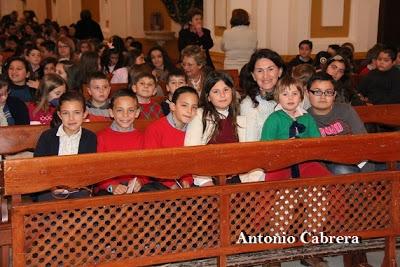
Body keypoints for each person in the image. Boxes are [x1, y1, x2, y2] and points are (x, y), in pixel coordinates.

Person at [185, 71, 263, 186]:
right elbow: (192, 153)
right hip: (209, 179)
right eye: (216, 92)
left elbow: (251, 152)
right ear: (208, 97)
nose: (222, 95)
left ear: (232, 91)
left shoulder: (242, 114)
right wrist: (206, 182)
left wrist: (252, 180)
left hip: (239, 177)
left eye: (226, 90)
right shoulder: (199, 116)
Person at [260, 76, 330, 181]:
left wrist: (304, 147)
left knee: (328, 180)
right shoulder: (273, 119)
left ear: (301, 97)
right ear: (278, 97)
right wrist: (284, 146)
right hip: (280, 163)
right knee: (271, 185)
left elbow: (317, 141)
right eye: (285, 94)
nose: (290, 98)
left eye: (295, 93)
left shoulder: (307, 117)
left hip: (305, 161)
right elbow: (265, 145)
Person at [33, 91, 96, 201]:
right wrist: (52, 186)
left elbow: (90, 169)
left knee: (82, 202)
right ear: (59, 115)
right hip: (51, 189)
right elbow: (39, 167)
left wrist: (77, 186)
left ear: (84, 114)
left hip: (79, 189)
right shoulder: (47, 137)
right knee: (47, 203)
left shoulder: (90, 137)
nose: (71, 118)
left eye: (76, 113)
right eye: (66, 113)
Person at [144, 86, 199, 189]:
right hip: (160, 181)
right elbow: (152, 164)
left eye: (194, 107)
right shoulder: (155, 129)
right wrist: (171, 184)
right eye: (184, 105)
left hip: (184, 180)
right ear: (173, 106)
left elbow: (192, 162)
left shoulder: (195, 130)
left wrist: (186, 180)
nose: (189, 111)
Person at [95, 89, 148, 195]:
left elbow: (146, 167)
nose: (125, 115)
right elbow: (97, 170)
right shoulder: (101, 137)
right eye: (120, 110)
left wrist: (139, 181)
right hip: (107, 188)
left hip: (133, 187)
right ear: (111, 112)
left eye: (131, 110)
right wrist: (111, 186)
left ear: (137, 113)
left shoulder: (143, 138)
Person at [240, 49, 285, 141]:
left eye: (270, 69)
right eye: (260, 71)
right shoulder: (249, 104)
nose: (265, 76)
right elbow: (250, 143)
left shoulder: (291, 97)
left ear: (280, 71)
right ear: (253, 76)